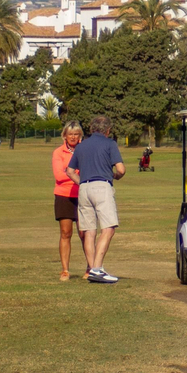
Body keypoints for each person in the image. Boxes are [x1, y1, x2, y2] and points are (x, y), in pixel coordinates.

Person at [66, 115, 124, 284]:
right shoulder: (110, 143)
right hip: (102, 186)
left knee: (89, 231)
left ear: (91, 129)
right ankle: (97, 268)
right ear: (108, 130)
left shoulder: (81, 146)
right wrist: (114, 176)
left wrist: (82, 182)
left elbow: (70, 171)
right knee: (108, 228)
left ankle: (92, 269)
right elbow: (121, 169)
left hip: (84, 188)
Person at [52, 122, 85, 281]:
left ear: (80, 136)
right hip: (64, 195)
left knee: (84, 233)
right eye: (70, 134)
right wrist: (77, 173)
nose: (73, 137)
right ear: (64, 135)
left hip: (83, 194)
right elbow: (59, 175)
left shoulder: (85, 150)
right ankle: (65, 270)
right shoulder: (59, 152)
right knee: (66, 233)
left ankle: (91, 267)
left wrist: (70, 172)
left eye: (76, 134)